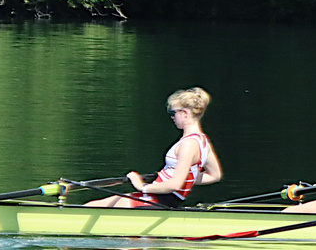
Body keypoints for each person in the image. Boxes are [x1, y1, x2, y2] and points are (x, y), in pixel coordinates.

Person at [89, 87, 222, 207]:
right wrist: (183, 178)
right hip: (159, 196)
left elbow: (175, 184)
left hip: (161, 199)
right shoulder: (203, 141)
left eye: (174, 112)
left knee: (114, 206)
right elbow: (214, 175)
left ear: (185, 113)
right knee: (93, 205)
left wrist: (143, 187)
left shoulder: (188, 144)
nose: (172, 117)